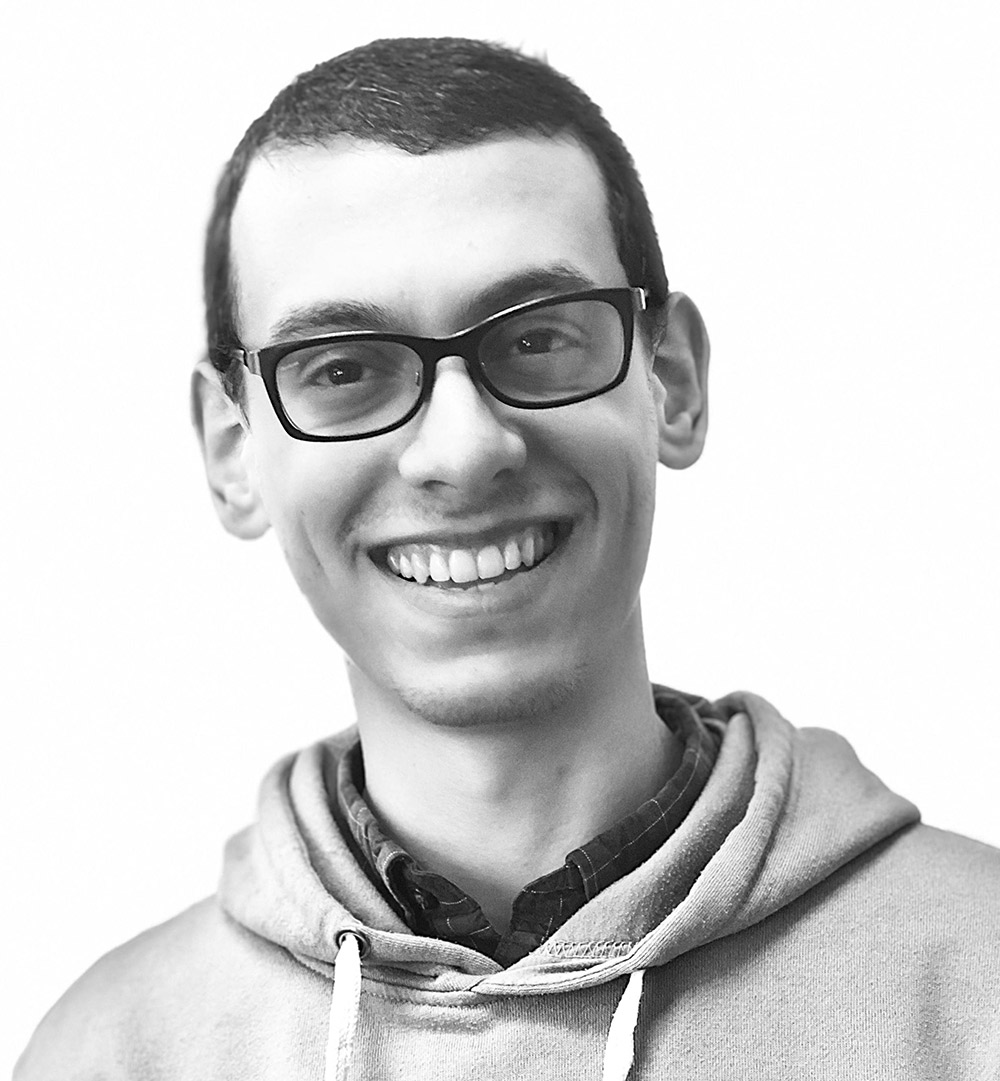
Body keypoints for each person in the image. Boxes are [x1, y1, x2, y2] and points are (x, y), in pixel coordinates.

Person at [16, 35, 1000, 1081]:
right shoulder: (101, 1055)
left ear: (670, 378)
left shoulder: (977, 978)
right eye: (342, 368)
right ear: (231, 448)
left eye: (535, 339)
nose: (462, 450)